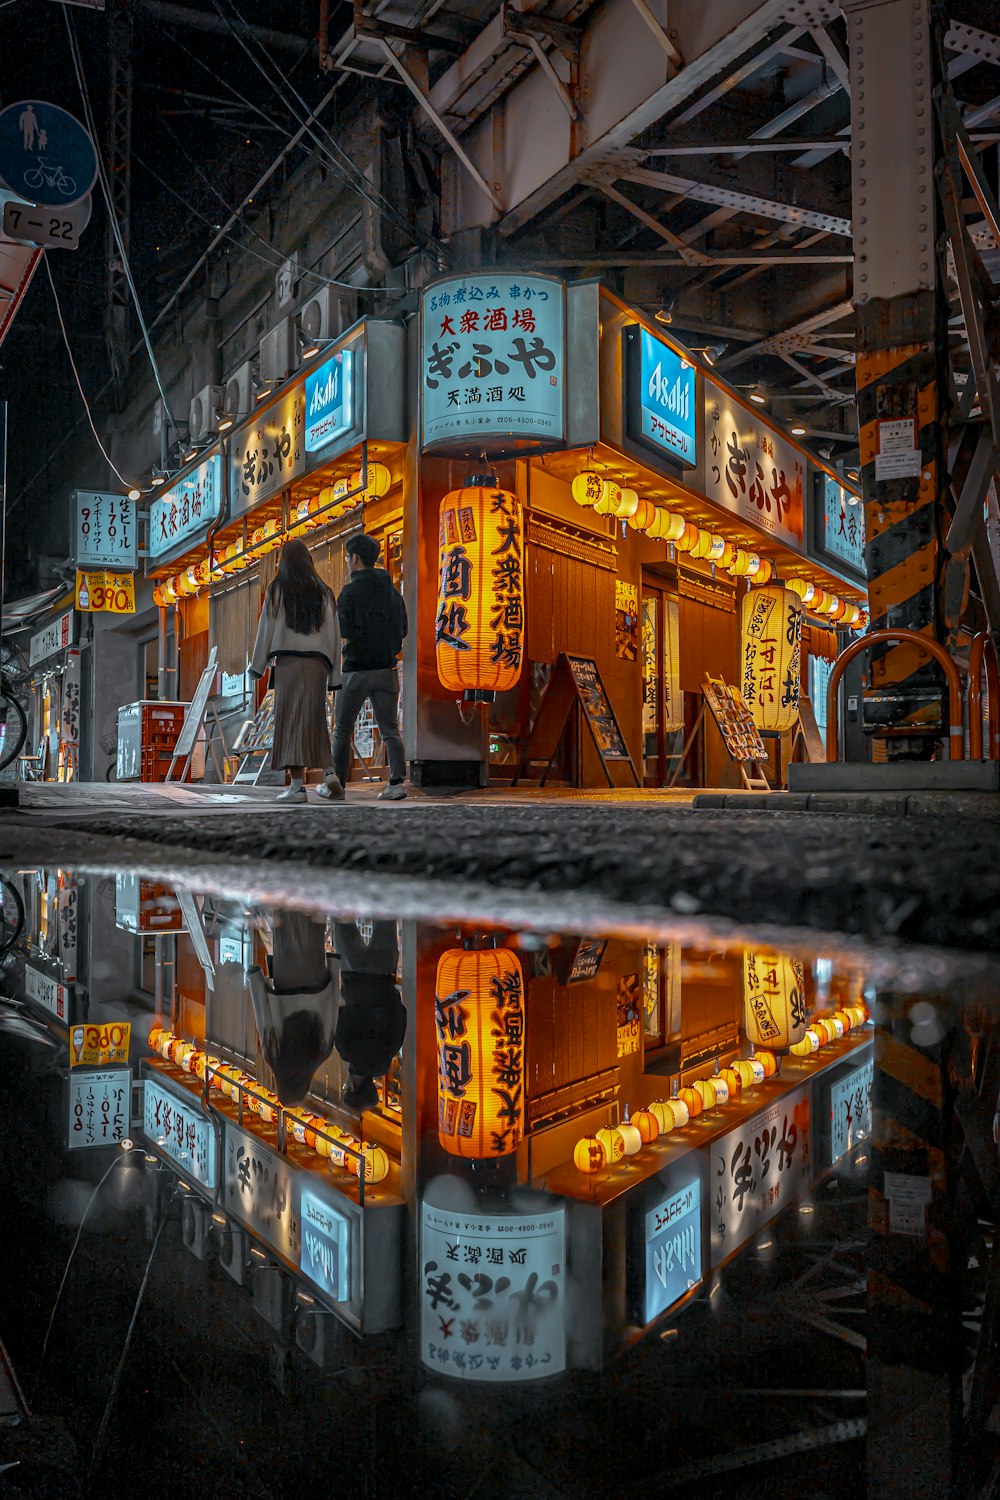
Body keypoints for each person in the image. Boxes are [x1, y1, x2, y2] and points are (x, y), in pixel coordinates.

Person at [250, 538, 342, 802]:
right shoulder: (324, 591)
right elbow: (334, 635)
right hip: (318, 664)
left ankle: (298, 787)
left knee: (290, 720)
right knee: (314, 719)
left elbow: (265, 628)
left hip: (288, 663)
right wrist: (335, 675)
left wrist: (257, 667)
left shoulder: (277, 589)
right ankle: (330, 773)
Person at [320, 532, 408, 802]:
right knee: (390, 729)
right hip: (385, 669)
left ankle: (339, 786)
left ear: (355, 558)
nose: (347, 561)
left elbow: (342, 629)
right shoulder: (391, 591)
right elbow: (402, 629)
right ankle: (396, 784)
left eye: (347, 557)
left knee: (342, 730)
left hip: (356, 669)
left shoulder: (349, 592)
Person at [247, 909, 337, 1106]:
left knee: (313, 927)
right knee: (285, 926)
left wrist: (333, 966)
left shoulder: (321, 1052)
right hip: (285, 975)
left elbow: (332, 1008)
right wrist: (255, 977)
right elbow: (263, 1015)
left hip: (315, 976)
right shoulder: (273, 1054)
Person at [333, 919, 406, 1112]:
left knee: (385, 915)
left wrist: (387, 995)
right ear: (354, 1086)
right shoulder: (345, 1048)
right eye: (347, 1087)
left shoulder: (387, 1053)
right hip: (352, 972)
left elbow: (401, 1014)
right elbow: (338, 1012)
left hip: (383, 972)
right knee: (342, 917)